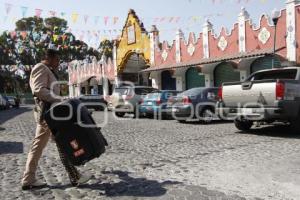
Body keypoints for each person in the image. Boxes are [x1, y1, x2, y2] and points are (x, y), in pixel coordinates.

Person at [21, 49, 91, 190]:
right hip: (49, 115)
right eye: (57, 59)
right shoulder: (40, 67)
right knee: (63, 144)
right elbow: (39, 90)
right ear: (49, 58)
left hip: (51, 115)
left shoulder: (48, 70)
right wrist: (61, 99)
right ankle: (75, 177)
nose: (59, 63)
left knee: (47, 145)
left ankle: (29, 179)